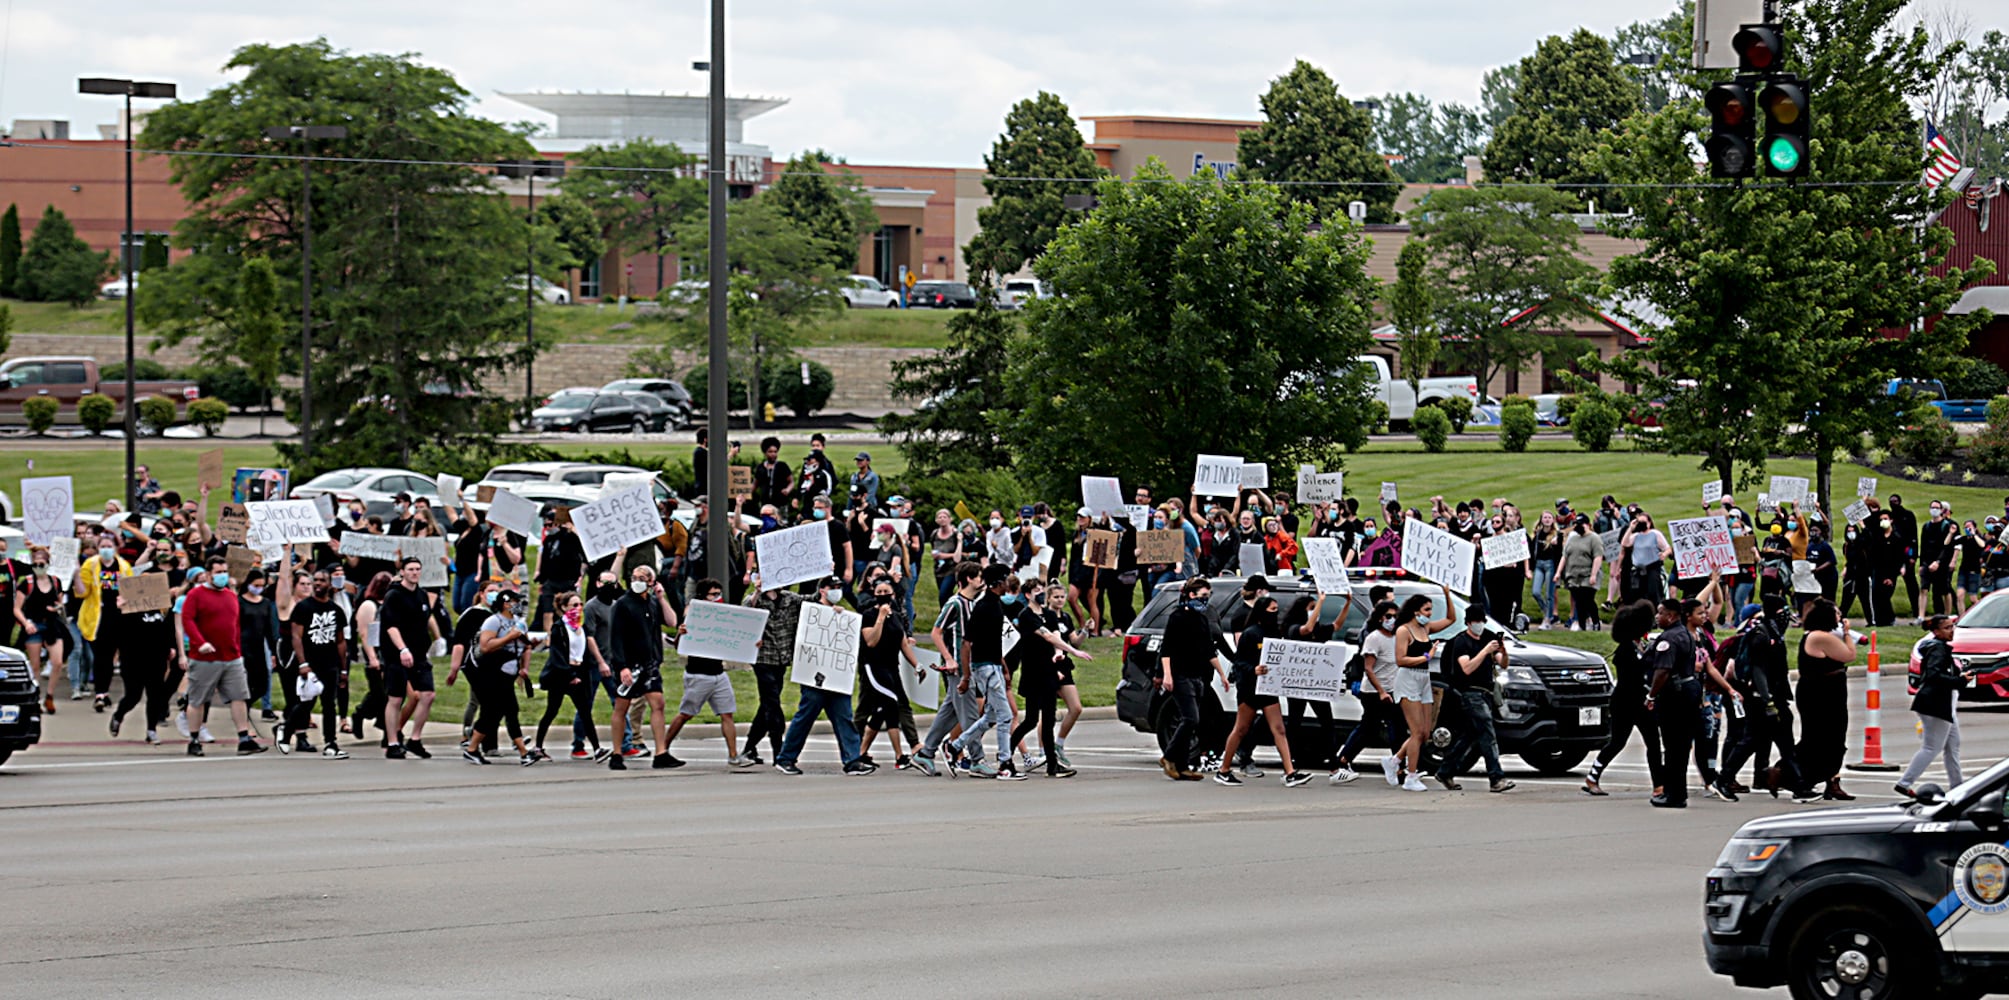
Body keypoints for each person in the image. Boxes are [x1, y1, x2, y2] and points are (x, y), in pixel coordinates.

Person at [773, 577, 873, 775]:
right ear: (822, 591)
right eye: (832, 588)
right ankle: (786, 758)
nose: (837, 590)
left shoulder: (841, 614)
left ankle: (852, 760)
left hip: (836, 678)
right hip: (814, 677)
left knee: (844, 717)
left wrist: (840, 618)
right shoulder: (808, 610)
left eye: (839, 587)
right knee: (805, 717)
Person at [1213, 594, 1313, 787]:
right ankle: (1223, 769)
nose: (1275, 613)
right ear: (1262, 611)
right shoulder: (1251, 633)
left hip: (1268, 687)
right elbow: (1239, 662)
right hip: (1250, 688)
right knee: (1241, 729)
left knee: (1279, 729)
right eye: (1272, 610)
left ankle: (1290, 772)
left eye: (1277, 610)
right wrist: (1254, 669)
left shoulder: (1275, 633)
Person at [179, 555, 266, 757]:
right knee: (198, 700)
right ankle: (194, 739)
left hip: (231, 657)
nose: (222, 576)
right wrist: (200, 643)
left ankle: (244, 738)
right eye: (218, 572)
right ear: (208, 574)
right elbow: (188, 620)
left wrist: (237, 649)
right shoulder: (196, 595)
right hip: (204, 659)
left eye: (224, 572)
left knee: (239, 697)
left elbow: (235, 625)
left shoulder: (229, 596)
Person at [942, 564, 1024, 778]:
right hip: (984, 667)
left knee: (990, 716)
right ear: (997, 583)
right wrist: (967, 676)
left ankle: (955, 745)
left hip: (993, 665)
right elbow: (967, 643)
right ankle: (1006, 763)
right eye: (1006, 579)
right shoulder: (984, 607)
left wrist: (1004, 668)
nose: (1009, 583)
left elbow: (995, 643)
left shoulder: (995, 605)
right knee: (1005, 716)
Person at [1005, 578, 1093, 779]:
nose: (1041, 593)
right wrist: (1074, 652)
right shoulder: (1026, 616)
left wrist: (1057, 653)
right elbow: (1047, 636)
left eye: (1041, 589)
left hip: (1049, 671)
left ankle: (1052, 765)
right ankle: (1006, 757)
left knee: (1049, 719)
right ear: (1028, 595)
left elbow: (1056, 637)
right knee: (1030, 720)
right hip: (1033, 672)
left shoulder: (1050, 614)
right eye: (1036, 590)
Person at [1429, 606, 1517, 793]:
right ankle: (1496, 778)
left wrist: (1502, 649)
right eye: (1476, 622)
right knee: (1487, 732)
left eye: (1482, 621)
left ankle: (1445, 771)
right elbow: (1467, 668)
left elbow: (1503, 663)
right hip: (1470, 693)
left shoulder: (1488, 636)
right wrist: (1485, 651)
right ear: (1468, 623)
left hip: (1486, 693)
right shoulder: (1462, 642)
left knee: (1470, 735)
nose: (1480, 625)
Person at [657, 578, 743, 768]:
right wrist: (680, 633)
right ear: (703, 596)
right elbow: (680, 646)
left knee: (727, 714)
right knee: (685, 714)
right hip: (698, 675)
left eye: (719, 593)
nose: (717, 597)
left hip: (719, 674)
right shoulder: (694, 616)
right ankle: (662, 748)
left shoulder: (722, 616)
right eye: (713, 594)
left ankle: (733, 755)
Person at [911, 562, 984, 777]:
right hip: (958, 668)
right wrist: (949, 658)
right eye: (979, 576)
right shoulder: (955, 604)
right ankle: (977, 759)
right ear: (969, 579)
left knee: (950, 713)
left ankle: (926, 752)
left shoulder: (973, 604)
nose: (982, 580)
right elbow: (936, 632)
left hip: (968, 666)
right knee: (970, 714)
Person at [607, 564, 680, 771]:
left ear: (651, 581)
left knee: (658, 703)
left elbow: (671, 621)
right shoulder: (623, 604)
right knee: (621, 707)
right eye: (634, 576)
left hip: (650, 664)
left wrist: (661, 597)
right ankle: (617, 752)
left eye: (642, 577)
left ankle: (661, 752)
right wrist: (621, 667)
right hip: (630, 664)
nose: (637, 580)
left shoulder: (653, 603)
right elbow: (616, 638)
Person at [1157, 575, 1227, 781]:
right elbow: (1167, 648)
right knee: (1190, 718)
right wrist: (1166, 675)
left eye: (1208, 596)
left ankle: (1182, 764)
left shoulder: (1202, 618)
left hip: (1198, 675)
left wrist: (1222, 674)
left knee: (1195, 720)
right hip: (1180, 674)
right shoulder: (1177, 617)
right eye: (1203, 595)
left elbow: (1209, 650)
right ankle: (1169, 757)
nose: (1206, 600)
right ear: (1191, 595)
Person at [1897, 614, 1974, 797]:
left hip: (1944, 707)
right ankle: (1904, 782)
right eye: (1947, 628)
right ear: (1936, 631)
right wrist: (1960, 680)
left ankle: (1958, 787)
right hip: (1935, 705)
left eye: (1952, 626)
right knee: (1931, 747)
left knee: (1952, 747)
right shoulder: (1937, 649)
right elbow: (1933, 676)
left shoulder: (1937, 648)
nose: (1952, 630)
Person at [464, 590, 543, 765]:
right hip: (493, 672)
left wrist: (525, 665)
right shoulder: (494, 621)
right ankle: (523, 753)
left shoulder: (518, 623)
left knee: (497, 712)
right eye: (515, 602)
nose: (519, 606)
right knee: (506, 710)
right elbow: (485, 646)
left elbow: (524, 646)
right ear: (505, 603)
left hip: (509, 673)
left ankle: (472, 746)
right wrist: (509, 637)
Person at [1392, 585, 1456, 793]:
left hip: (1423, 679)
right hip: (1408, 679)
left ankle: (1394, 760)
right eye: (1427, 610)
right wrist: (1426, 657)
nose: (1429, 614)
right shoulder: (1404, 630)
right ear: (1415, 611)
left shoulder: (1426, 628)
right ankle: (1410, 775)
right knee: (1416, 730)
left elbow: (1451, 620)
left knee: (1425, 732)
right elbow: (1400, 659)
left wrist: (1447, 595)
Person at [109, 562, 178, 746]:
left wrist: (171, 647)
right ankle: (119, 715)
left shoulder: (161, 607)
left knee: (155, 695)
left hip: (156, 657)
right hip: (133, 658)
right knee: (133, 696)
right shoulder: (129, 607)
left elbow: (167, 627)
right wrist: (119, 609)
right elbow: (116, 630)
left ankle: (151, 730)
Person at [1795, 598, 1858, 800]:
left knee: (1832, 737)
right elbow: (1849, 655)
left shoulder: (1818, 635)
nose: (1840, 618)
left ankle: (1832, 782)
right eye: (1837, 614)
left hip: (1828, 691)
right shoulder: (1820, 636)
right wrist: (1847, 633)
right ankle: (1794, 777)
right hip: (1820, 694)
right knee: (1823, 738)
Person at [856, 576, 920, 769]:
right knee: (890, 707)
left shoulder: (898, 616)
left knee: (882, 710)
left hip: (892, 668)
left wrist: (917, 665)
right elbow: (871, 641)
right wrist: (881, 618)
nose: (883, 596)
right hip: (874, 667)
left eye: (887, 592)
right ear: (874, 595)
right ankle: (900, 756)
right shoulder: (868, 615)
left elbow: (903, 643)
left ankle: (861, 752)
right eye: (879, 593)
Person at [284, 569, 350, 758]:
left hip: (330, 663)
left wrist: (343, 669)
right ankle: (286, 730)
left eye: (322, 581)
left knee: (329, 704)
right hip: (311, 663)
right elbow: (296, 637)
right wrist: (302, 663)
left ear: (330, 584)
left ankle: (331, 742)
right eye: (316, 580)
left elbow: (340, 641)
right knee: (306, 703)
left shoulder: (337, 611)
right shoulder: (303, 608)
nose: (318, 584)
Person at [740, 583, 807, 766]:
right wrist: (757, 591)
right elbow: (746, 611)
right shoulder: (756, 600)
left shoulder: (789, 599)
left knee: (767, 705)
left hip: (780, 658)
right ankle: (779, 749)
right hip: (763, 658)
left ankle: (749, 747)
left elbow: (812, 601)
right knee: (773, 704)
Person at [378, 557, 437, 760]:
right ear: (402, 571)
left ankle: (415, 739)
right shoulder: (394, 596)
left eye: (418, 569)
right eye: (410, 569)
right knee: (395, 698)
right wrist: (402, 649)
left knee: (428, 695)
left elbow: (426, 619)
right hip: (397, 654)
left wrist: (437, 638)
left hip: (419, 654)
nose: (414, 573)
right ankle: (393, 741)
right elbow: (391, 626)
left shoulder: (421, 595)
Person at [533, 590, 603, 760]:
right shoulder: (558, 628)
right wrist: (570, 675)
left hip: (579, 672)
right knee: (552, 710)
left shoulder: (581, 627)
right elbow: (557, 656)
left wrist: (584, 673)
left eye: (580, 605)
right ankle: (538, 747)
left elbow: (583, 653)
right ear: (564, 608)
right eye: (574, 605)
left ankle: (597, 749)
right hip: (562, 675)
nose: (578, 608)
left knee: (585, 712)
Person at [582, 570, 637, 759]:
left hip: (614, 663)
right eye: (603, 583)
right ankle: (578, 743)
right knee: (586, 704)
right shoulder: (591, 607)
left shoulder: (616, 606)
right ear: (597, 584)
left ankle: (626, 743)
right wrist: (600, 662)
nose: (607, 588)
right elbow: (589, 636)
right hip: (595, 664)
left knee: (620, 702)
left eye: (611, 584)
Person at [76, 538, 130, 714]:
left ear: (116, 547)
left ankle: (125, 693)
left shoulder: (124, 566)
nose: (106, 549)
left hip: (120, 617)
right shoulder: (90, 565)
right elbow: (82, 593)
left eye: (109, 546)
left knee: (123, 656)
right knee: (102, 658)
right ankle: (101, 694)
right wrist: (76, 574)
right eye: (103, 546)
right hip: (98, 618)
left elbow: (131, 590)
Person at [18, 548, 68, 716]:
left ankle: (50, 695)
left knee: (58, 661)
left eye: (42, 564)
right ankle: (35, 698)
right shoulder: (27, 583)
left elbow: (60, 602)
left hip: (52, 624)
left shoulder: (55, 581)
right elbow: (16, 608)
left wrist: (57, 608)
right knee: (35, 665)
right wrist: (26, 623)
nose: (39, 566)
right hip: (34, 624)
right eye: (36, 564)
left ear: (48, 564)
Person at [1559, 515, 1605, 632]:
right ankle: (1582, 625)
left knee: (1587, 599)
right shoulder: (1572, 538)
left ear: (1587, 524)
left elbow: (1598, 556)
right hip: (1573, 575)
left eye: (1581, 524)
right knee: (1578, 601)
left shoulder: (1594, 538)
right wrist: (1558, 572)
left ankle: (1595, 621)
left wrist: (1593, 574)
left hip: (1587, 574)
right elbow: (1565, 555)